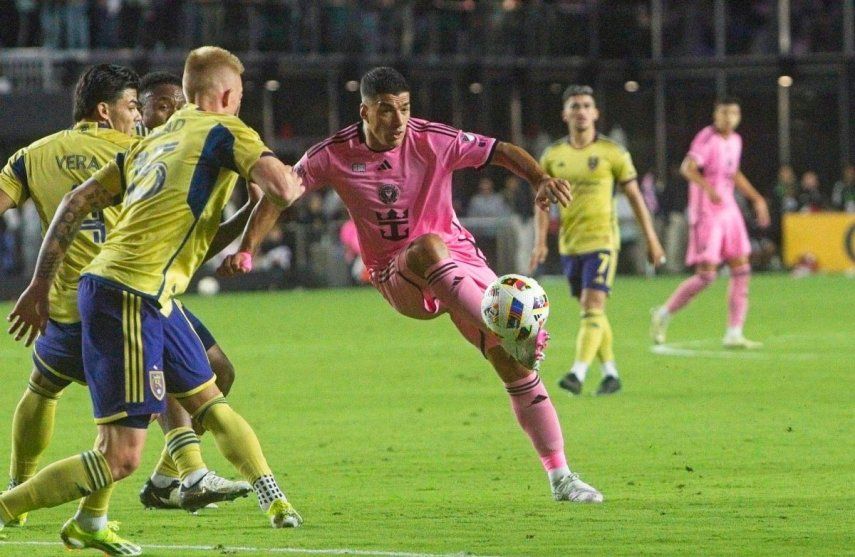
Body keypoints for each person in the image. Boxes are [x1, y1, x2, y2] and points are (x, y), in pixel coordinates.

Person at [220, 66, 603, 503]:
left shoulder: (432, 139)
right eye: (386, 111)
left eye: (403, 108)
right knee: (426, 247)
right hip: (397, 274)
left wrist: (538, 178)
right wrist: (248, 246)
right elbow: (281, 192)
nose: (398, 120)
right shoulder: (333, 153)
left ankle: (561, 477)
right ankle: (508, 327)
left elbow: (498, 150)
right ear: (364, 110)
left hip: (460, 262)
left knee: (514, 369)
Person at [1, 47, 305, 553]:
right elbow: (283, 189)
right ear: (228, 96)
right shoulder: (223, 132)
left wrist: (37, 282)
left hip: (114, 292)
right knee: (125, 450)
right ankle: (17, 504)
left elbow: (78, 203)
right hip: (128, 294)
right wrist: (286, 187)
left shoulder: (149, 141)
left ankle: (102, 514)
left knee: (197, 391)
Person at [135, 70, 262, 511]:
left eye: (177, 103)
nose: (171, 111)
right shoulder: (138, 155)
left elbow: (197, 244)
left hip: (161, 288)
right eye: (161, 104)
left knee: (219, 371)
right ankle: (190, 475)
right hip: (124, 289)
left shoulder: (178, 158)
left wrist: (249, 210)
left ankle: (166, 481)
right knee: (159, 393)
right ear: (139, 109)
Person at [530, 85, 665, 397]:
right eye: (575, 105)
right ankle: (611, 373)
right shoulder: (553, 156)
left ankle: (577, 373)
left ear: (595, 113)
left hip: (603, 240)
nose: (581, 111)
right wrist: (541, 242)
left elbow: (635, 198)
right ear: (565, 114)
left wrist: (652, 240)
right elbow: (542, 202)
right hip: (569, 243)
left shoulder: (612, 153)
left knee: (593, 305)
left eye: (587, 105)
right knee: (592, 313)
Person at [651, 97, 770, 348]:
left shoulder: (735, 140)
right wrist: (709, 189)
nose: (729, 118)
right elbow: (687, 168)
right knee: (707, 276)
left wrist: (757, 198)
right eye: (724, 113)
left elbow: (734, 173)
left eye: (734, 113)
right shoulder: (707, 137)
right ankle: (663, 314)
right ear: (716, 115)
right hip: (707, 212)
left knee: (742, 270)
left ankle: (734, 332)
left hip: (729, 210)